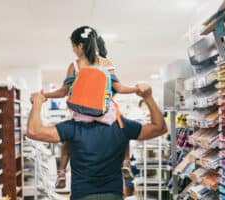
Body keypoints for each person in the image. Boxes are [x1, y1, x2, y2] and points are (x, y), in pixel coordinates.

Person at [27, 83, 167, 200]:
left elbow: (34, 131)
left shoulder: (73, 127)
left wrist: (38, 102)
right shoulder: (121, 125)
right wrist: (148, 97)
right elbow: (160, 128)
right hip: (113, 194)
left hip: (82, 194)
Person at [39, 26, 138, 188]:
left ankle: (62, 172)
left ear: (80, 46)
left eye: (73, 46)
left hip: (81, 115)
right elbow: (119, 88)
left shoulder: (75, 65)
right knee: (123, 129)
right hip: (105, 114)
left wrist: (44, 95)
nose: (73, 50)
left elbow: (63, 92)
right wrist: (137, 89)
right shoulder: (105, 62)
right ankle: (125, 162)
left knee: (68, 141)